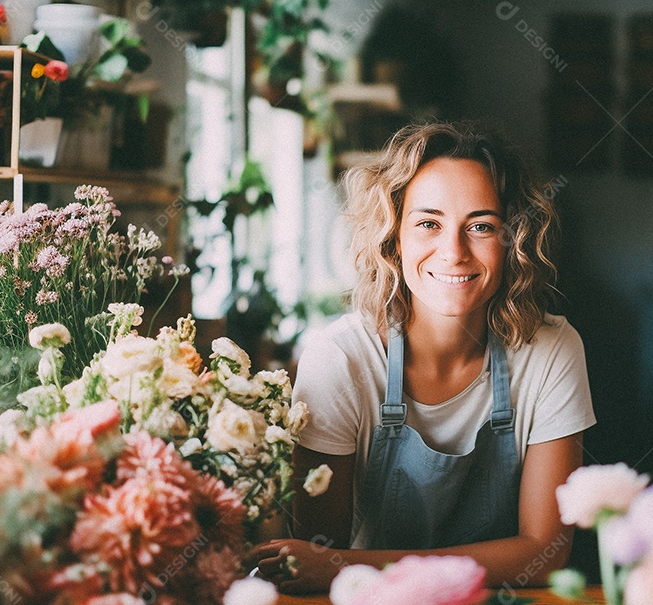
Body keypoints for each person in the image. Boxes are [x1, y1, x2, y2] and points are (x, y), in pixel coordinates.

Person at [252, 121, 596, 593]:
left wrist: (350, 565)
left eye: (480, 226)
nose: (453, 252)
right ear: (394, 237)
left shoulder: (552, 350)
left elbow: (544, 555)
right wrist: (343, 568)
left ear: (512, 240)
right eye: (428, 224)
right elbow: (316, 555)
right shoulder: (341, 359)